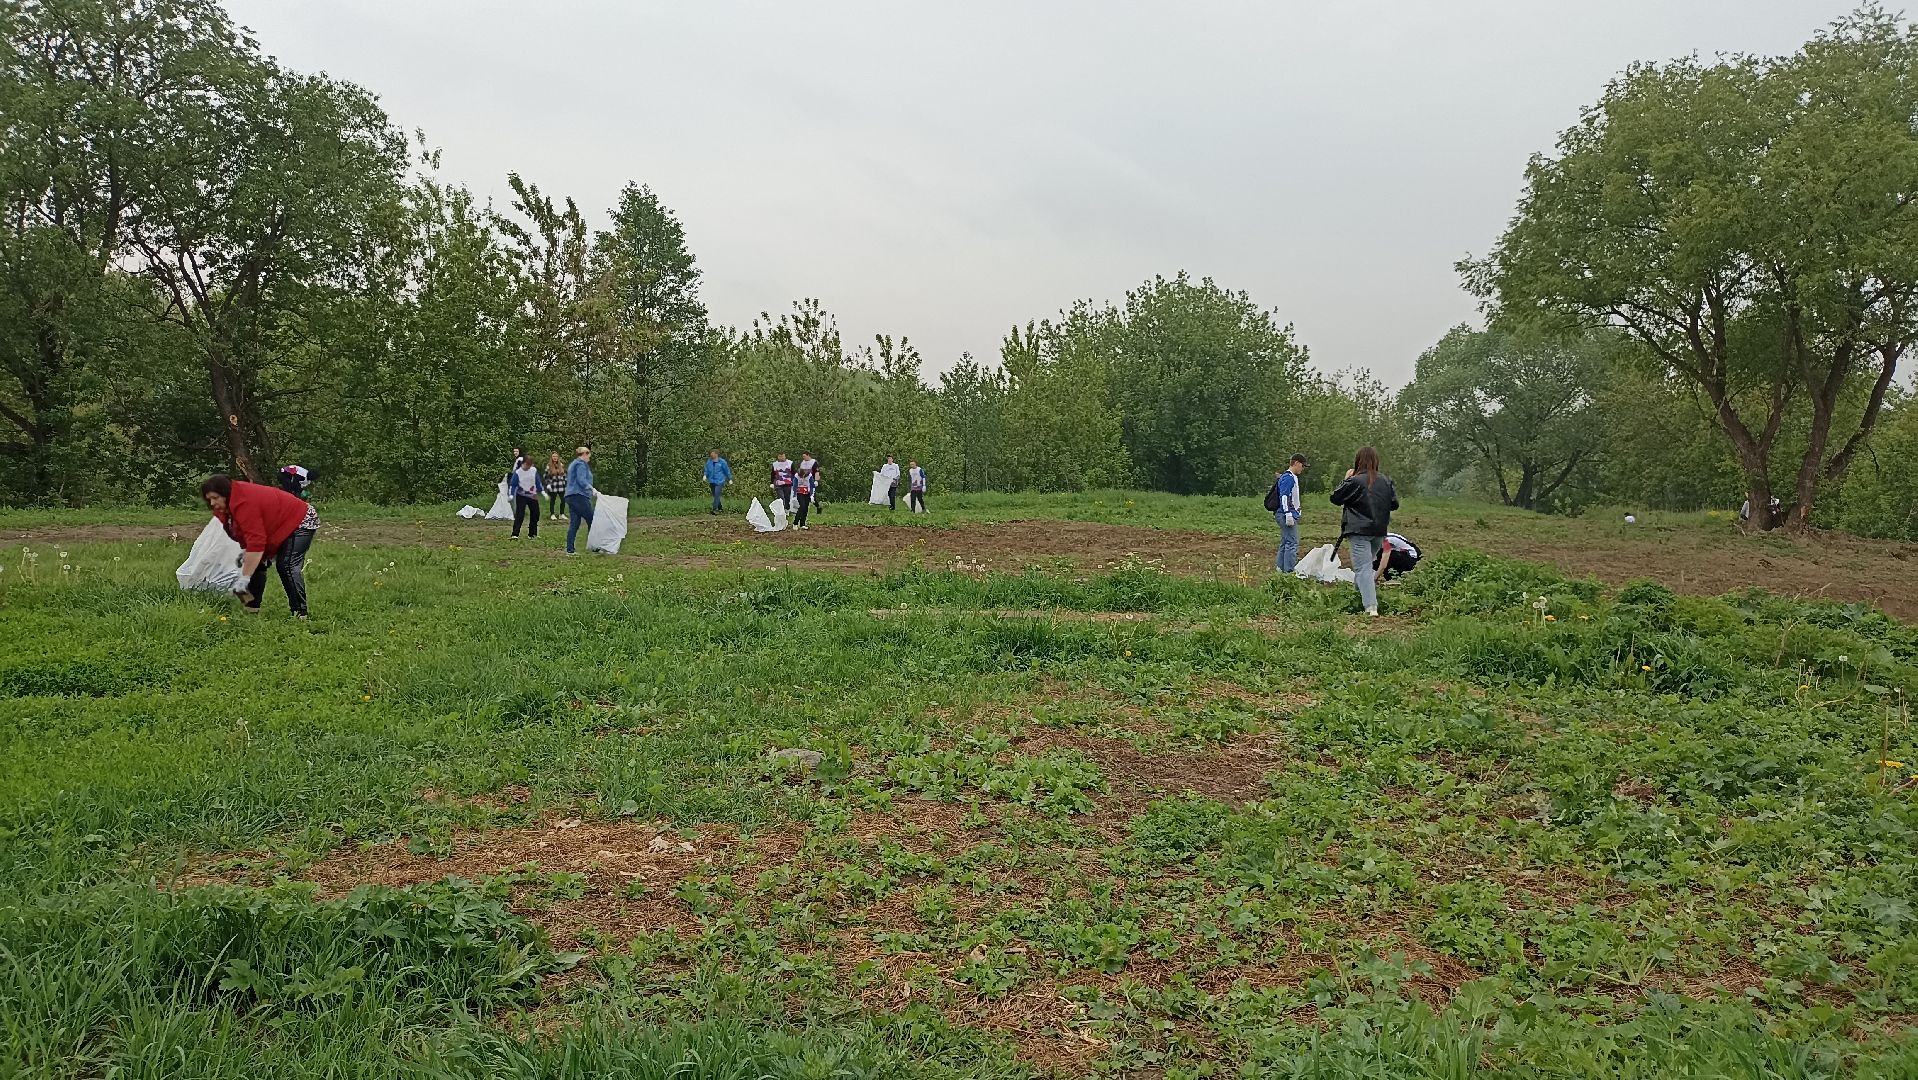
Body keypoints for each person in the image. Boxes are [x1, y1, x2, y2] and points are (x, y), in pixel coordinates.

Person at [201, 474, 318, 619]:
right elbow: (242, 533)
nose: (212, 503)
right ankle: (252, 611)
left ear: (225, 494)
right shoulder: (228, 507)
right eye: (209, 499)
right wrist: (248, 557)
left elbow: (256, 542)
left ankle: (300, 614)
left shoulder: (244, 502)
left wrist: (244, 577)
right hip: (276, 525)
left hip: (300, 518)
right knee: (254, 564)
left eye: (215, 497)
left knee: (286, 565)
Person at [1329, 446, 1397, 617]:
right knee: (1365, 566)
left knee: (1363, 568)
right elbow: (1394, 504)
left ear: (1358, 461)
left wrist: (1346, 479)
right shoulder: (1386, 480)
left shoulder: (1355, 481)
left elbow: (1335, 498)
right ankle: (1356, 598)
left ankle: (1371, 607)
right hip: (1379, 531)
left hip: (1358, 530)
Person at [1272, 454, 1305, 573]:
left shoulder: (1288, 477)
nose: (1302, 468)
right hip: (1285, 514)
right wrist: (1288, 514)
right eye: (1302, 465)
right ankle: (1289, 572)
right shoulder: (1288, 478)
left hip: (1285, 513)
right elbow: (1284, 496)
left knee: (1285, 541)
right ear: (1296, 463)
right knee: (1292, 542)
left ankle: (1280, 568)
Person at [564, 445, 596, 555]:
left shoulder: (574, 464)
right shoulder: (581, 465)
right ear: (584, 454)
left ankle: (570, 549)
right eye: (589, 456)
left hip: (570, 496)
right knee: (592, 520)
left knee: (575, 523)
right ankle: (594, 546)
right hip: (579, 495)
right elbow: (581, 480)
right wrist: (591, 489)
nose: (589, 459)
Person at [509, 455, 543, 538]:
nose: (528, 467)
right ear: (523, 463)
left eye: (530, 465)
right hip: (521, 495)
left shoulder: (533, 470)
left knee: (535, 513)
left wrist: (541, 490)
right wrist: (511, 494)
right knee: (520, 514)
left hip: (532, 495)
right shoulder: (518, 472)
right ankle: (515, 534)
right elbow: (513, 485)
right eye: (527, 465)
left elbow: (537, 481)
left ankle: (532, 534)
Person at [793, 451, 820, 529]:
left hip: (807, 493)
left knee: (806, 508)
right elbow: (794, 486)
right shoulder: (797, 476)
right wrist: (794, 495)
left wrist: (812, 495)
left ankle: (802, 524)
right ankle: (795, 523)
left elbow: (812, 486)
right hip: (800, 492)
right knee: (802, 507)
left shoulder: (809, 475)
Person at [704, 450, 733, 514]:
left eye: (713, 454)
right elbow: (706, 468)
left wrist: (730, 479)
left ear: (716, 454)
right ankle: (720, 508)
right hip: (712, 480)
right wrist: (705, 475)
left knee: (717, 494)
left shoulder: (722, 462)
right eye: (711, 454)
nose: (711, 455)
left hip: (720, 481)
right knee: (715, 495)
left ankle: (714, 509)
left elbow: (727, 470)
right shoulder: (709, 461)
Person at [543, 452, 568, 521]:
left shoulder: (561, 465)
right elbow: (545, 476)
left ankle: (561, 514)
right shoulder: (548, 466)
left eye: (556, 456)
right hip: (553, 485)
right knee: (553, 500)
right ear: (551, 457)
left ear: (558, 457)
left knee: (563, 500)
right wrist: (548, 484)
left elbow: (565, 475)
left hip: (561, 485)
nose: (555, 458)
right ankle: (552, 514)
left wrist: (565, 482)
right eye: (553, 456)